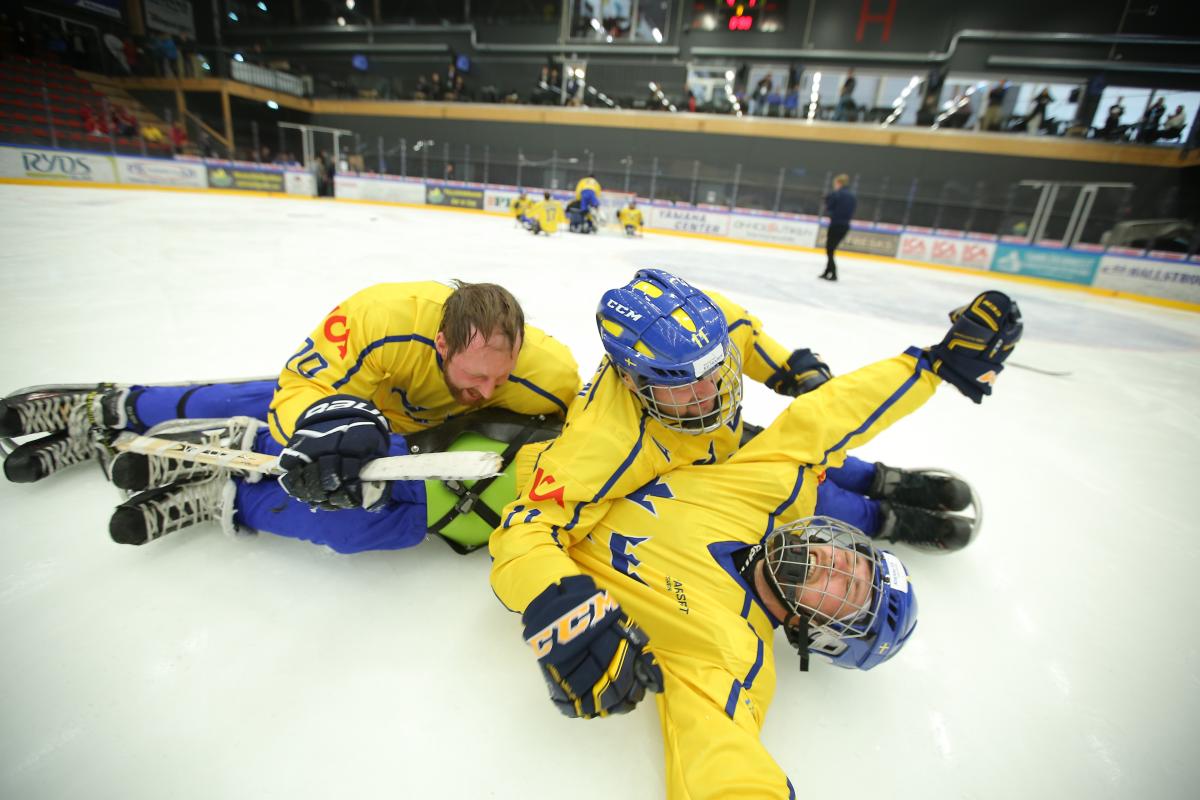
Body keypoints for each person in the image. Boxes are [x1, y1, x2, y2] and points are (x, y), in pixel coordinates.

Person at [496, 291, 1023, 798]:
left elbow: (723, 758)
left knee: (798, 475)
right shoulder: (765, 504)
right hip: (631, 459)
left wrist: (557, 600)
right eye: (853, 559)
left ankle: (888, 510)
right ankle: (884, 502)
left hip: (549, 473)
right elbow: (826, 416)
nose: (836, 560)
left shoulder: (731, 653)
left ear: (821, 635)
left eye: (847, 588)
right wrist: (930, 367)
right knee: (804, 477)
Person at [488, 269, 980, 651]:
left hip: (716, 446)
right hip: (680, 484)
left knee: (790, 445)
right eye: (683, 384)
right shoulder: (600, 448)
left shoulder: (702, 327)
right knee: (794, 491)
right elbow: (527, 530)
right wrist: (563, 612)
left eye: (716, 368)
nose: (710, 393)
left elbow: (746, 338)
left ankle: (883, 481)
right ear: (633, 380)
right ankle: (885, 515)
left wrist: (791, 371)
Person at [1, 282, 581, 548]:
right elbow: (299, 386)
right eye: (473, 375)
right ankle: (110, 408)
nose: (486, 390)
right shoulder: (378, 318)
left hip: (409, 441)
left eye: (498, 379)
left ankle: (160, 459)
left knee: (340, 501)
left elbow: (577, 426)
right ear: (440, 343)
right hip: (351, 401)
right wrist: (327, 420)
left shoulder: (547, 375)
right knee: (241, 403)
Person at [820, 173, 856, 281]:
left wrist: (827, 200)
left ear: (838, 183)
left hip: (836, 224)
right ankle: (827, 272)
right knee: (831, 249)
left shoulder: (837, 194)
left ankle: (833, 273)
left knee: (830, 249)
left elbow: (830, 208)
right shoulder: (852, 196)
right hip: (845, 225)